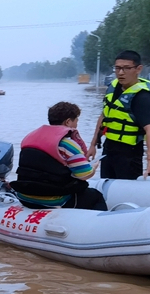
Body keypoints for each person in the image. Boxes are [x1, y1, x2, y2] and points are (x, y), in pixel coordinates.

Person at [10, 102, 107, 211]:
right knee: (96, 196)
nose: (76, 125)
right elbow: (84, 175)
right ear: (68, 121)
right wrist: (93, 167)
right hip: (55, 199)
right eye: (76, 121)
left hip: (24, 197)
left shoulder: (29, 138)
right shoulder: (67, 144)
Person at [87, 50, 150, 180]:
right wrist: (93, 145)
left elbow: (149, 129)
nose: (121, 73)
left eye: (127, 68)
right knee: (106, 183)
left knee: (127, 189)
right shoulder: (113, 87)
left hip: (129, 153)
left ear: (138, 69)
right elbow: (103, 116)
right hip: (108, 148)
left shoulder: (142, 97)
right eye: (118, 68)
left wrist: (149, 161)